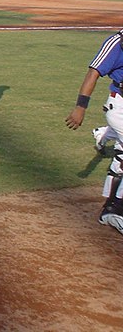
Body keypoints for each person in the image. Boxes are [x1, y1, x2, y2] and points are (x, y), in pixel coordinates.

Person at [65, 31, 123, 236]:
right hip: (119, 106)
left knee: (120, 155)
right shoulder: (115, 43)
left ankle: (110, 206)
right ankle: (115, 210)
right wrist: (80, 107)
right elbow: (93, 73)